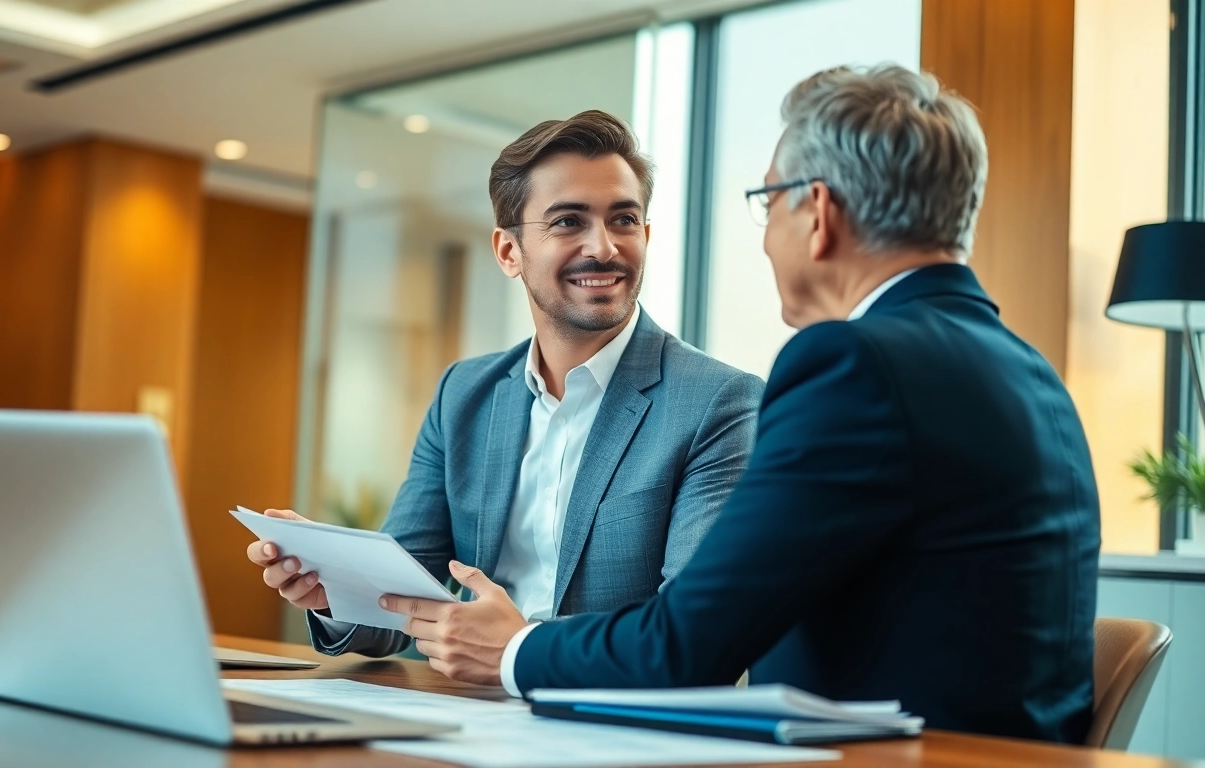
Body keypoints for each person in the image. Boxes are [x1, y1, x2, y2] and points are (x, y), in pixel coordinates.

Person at [380, 65, 1101, 744]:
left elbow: (689, 644)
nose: (765, 240)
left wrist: (516, 647)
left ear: (817, 213)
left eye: (769, 202)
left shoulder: (851, 365)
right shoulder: (1029, 371)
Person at [249, 110, 765, 659]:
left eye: (623, 220)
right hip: (462, 703)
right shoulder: (463, 394)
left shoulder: (719, 404)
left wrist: (520, 650)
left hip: (603, 706)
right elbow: (398, 600)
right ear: (508, 252)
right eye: (568, 221)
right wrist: (337, 589)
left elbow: (694, 636)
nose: (604, 247)